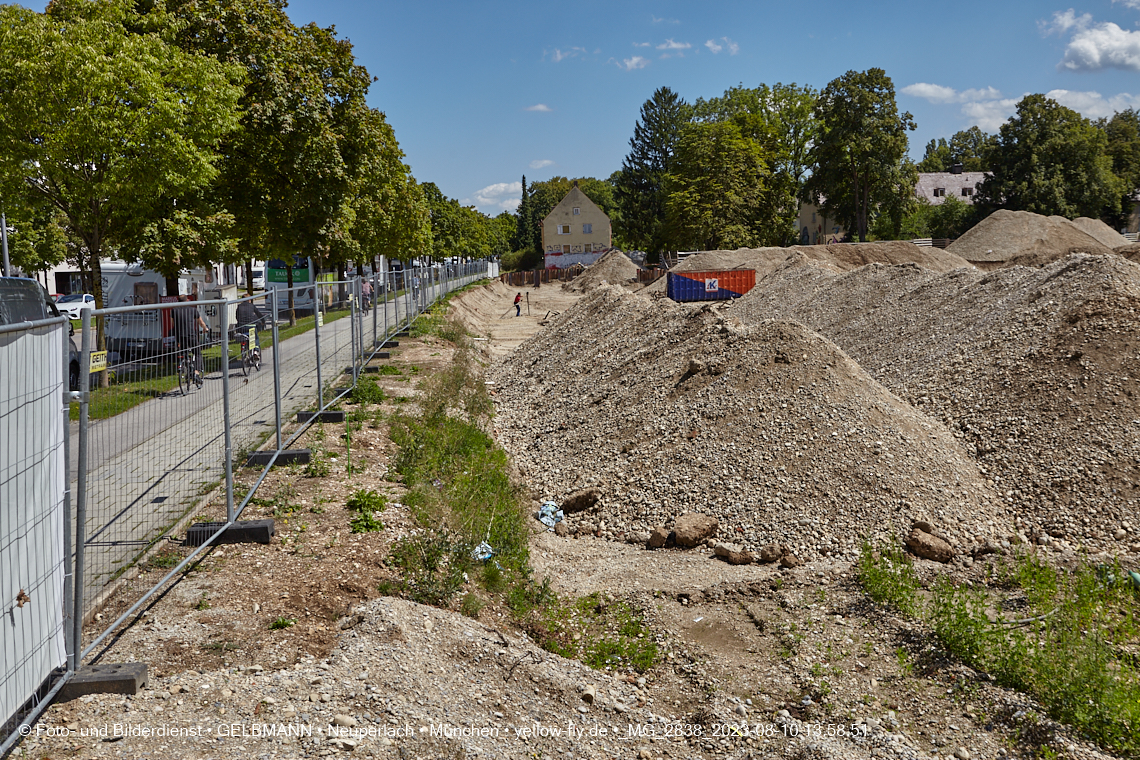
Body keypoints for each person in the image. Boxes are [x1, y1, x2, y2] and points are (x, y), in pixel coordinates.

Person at [171, 294, 207, 382]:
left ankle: (187, 366)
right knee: (197, 353)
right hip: (191, 335)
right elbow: (200, 322)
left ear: (178, 301)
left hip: (180, 336)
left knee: (184, 354)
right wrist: (205, 328)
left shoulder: (174, 310)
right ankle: (196, 372)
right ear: (187, 300)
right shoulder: (192, 310)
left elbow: (173, 324)